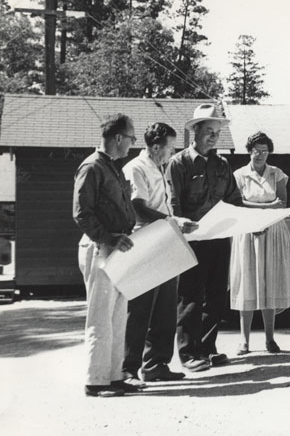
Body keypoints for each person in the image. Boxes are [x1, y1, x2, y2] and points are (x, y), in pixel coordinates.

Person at [121, 123, 197, 384]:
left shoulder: (159, 168)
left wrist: (171, 222)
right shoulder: (136, 168)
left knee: (166, 308)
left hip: (163, 238)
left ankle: (156, 364)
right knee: (140, 309)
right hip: (144, 240)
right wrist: (173, 220)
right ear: (155, 147)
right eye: (170, 147)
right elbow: (137, 207)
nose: (172, 153)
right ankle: (128, 369)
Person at [169, 103, 243, 372]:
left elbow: (235, 200)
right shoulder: (179, 164)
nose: (214, 136)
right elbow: (173, 205)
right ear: (195, 132)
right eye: (209, 131)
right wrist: (181, 228)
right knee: (189, 298)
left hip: (219, 239)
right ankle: (188, 353)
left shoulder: (223, 165)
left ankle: (208, 348)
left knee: (215, 297)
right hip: (192, 241)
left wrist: (249, 222)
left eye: (217, 132)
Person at [73, 113, 138, 397]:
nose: (133, 144)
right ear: (118, 138)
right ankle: (95, 380)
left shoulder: (113, 167)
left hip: (118, 248)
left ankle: (113, 376)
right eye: (132, 138)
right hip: (101, 247)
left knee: (117, 316)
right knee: (100, 316)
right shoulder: (92, 167)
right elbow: (81, 213)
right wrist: (108, 237)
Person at [230, 132, 290, 355]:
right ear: (249, 150)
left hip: (273, 233)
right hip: (247, 234)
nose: (260, 154)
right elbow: (237, 204)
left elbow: (282, 203)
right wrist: (265, 208)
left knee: (269, 284)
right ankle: (244, 341)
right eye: (256, 150)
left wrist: (264, 210)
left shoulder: (277, 174)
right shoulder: (239, 175)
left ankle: (270, 339)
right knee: (248, 284)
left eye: (264, 150)